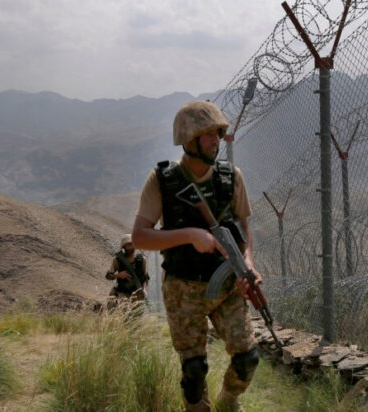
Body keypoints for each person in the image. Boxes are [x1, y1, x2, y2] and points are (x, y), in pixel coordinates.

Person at [132, 101, 262, 412]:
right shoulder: (162, 180)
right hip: (183, 289)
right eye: (208, 135)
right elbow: (140, 237)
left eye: (218, 133)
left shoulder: (231, 178)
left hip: (227, 285)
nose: (216, 140)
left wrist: (248, 266)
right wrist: (190, 235)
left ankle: (228, 401)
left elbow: (244, 228)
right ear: (189, 139)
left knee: (247, 359)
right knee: (193, 370)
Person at [105, 234, 149, 309]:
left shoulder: (141, 260)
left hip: (136, 296)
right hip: (121, 295)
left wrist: (144, 289)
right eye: (127, 245)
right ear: (123, 247)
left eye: (131, 244)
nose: (130, 247)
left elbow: (145, 277)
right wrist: (118, 275)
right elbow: (108, 276)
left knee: (134, 318)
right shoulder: (117, 260)